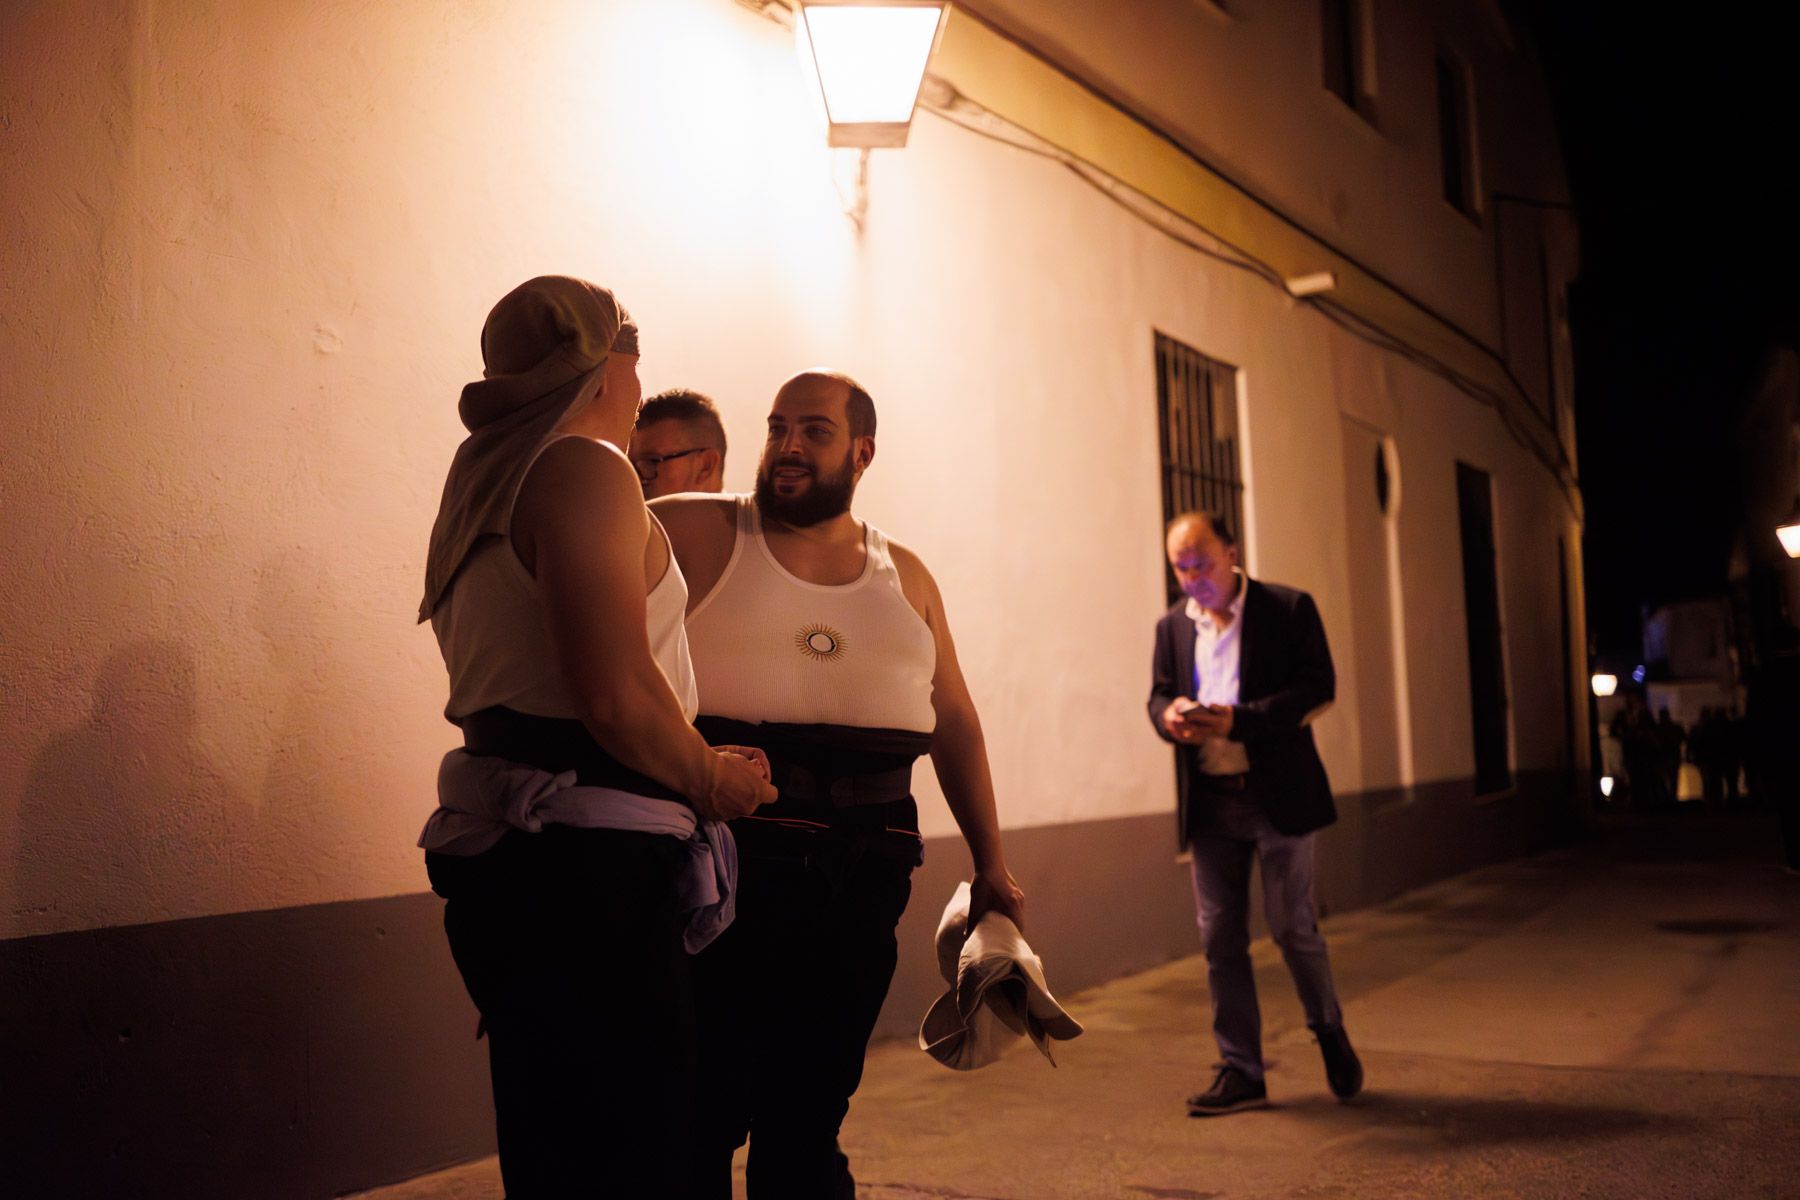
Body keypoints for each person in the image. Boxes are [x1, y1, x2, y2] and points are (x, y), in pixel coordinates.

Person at [416, 276, 776, 1196]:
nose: (636, 380)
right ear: (604, 366)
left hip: (528, 857)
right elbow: (610, 695)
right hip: (593, 874)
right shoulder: (581, 466)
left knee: (556, 1148)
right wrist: (707, 777)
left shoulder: (483, 475)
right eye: (631, 358)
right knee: (637, 1154)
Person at [653, 369, 1025, 1199]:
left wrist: (991, 863)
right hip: (724, 870)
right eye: (778, 427)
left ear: (861, 452)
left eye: (813, 432)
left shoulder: (907, 575)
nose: (788, 446)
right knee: (698, 1112)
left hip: (861, 878)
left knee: (811, 1108)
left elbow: (954, 721)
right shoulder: (701, 532)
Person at [1147, 511, 1362, 1115]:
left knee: (1293, 928)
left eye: (1202, 564)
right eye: (1180, 568)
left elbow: (1317, 687)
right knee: (1219, 937)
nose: (1192, 579)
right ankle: (1242, 1069)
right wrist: (1169, 717)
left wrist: (1240, 720)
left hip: (1278, 796)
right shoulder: (1172, 628)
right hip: (1212, 801)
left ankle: (1328, 1030)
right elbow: (1159, 693)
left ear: (1232, 552)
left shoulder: (1288, 609)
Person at [630, 387, 729, 499]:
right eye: (629, 464)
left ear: (706, 465)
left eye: (650, 462)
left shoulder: (749, 515)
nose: (633, 476)